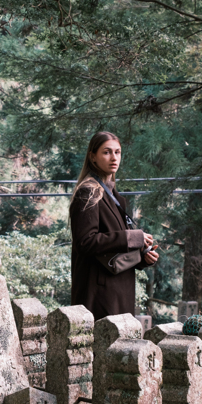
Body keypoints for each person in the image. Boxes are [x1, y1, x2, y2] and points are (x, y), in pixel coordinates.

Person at [69, 131, 159, 320]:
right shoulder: (88, 192)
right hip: (99, 294)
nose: (114, 158)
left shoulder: (115, 197)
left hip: (119, 291)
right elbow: (85, 242)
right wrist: (133, 237)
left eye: (117, 152)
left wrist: (142, 257)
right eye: (107, 152)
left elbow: (114, 250)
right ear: (93, 156)